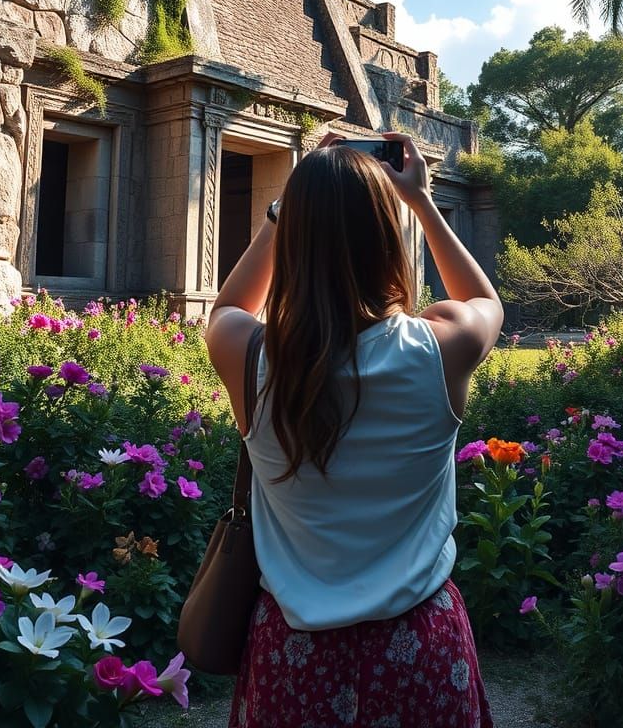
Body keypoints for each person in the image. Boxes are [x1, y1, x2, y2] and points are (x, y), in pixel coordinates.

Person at [205, 130, 503, 728]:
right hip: (419, 648)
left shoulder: (250, 356)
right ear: (386, 240)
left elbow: (225, 310)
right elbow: (483, 299)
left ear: (295, 239)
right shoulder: (438, 348)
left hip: (293, 657)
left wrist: (287, 205)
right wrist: (419, 200)